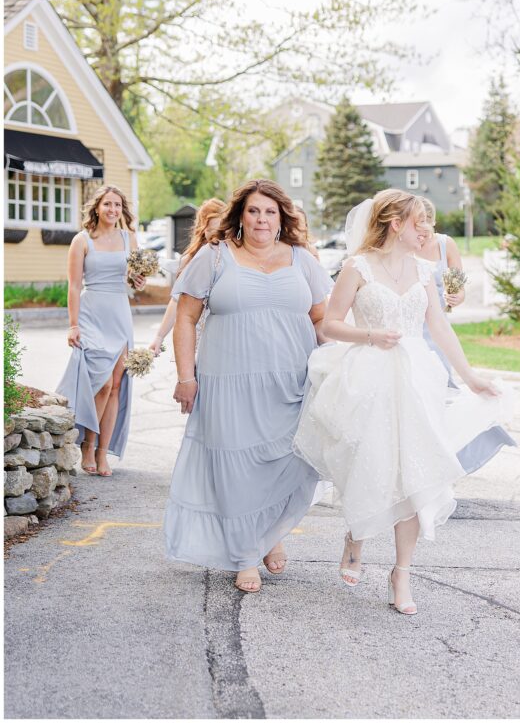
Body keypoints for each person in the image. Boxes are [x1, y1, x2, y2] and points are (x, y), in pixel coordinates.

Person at [293, 188, 514, 615]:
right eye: (420, 222)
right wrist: (370, 336)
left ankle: (402, 572)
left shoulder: (424, 269)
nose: (428, 230)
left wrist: (470, 378)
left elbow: (440, 327)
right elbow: (329, 327)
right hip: (367, 378)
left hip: (416, 380)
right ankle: (356, 536)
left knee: (415, 475)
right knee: (368, 464)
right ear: (396, 224)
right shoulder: (357, 267)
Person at [164, 179, 332, 593]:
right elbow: (185, 319)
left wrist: (343, 367)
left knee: (293, 461)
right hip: (228, 383)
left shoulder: (302, 260)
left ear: (282, 219)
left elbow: (321, 320)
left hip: (293, 382)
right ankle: (243, 556)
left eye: (270, 211)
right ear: (240, 215)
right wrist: (186, 376)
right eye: (254, 210)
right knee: (235, 468)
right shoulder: (215, 256)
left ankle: (269, 532)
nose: (261, 218)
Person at [56, 184, 145, 477]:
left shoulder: (129, 238)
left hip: (119, 312)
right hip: (92, 313)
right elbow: (73, 285)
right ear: (97, 207)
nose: (113, 210)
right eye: (107, 204)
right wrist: (73, 324)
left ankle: (103, 452)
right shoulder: (81, 241)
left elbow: (133, 279)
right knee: (102, 383)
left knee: (117, 383)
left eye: (118, 205)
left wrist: (138, 282)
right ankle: (88, 444)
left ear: (122, 209)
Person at [148, 198, 228, 358]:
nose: (217, 238)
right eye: (212, 231)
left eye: (222, 231)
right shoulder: (195, 260)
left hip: (225, 336)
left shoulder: (236, 258)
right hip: (198, 337)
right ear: (202, 229)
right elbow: (177, 300)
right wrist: (159, 336)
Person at [418, 197, 465, 387]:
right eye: (419, 223)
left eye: (427, 222)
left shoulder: (446, 244)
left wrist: (456, 297)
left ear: (434, 221)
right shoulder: (405, 245)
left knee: (441, 377)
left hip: (438, 323)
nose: (424, 229)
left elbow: (459, 287)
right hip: (412, 323)